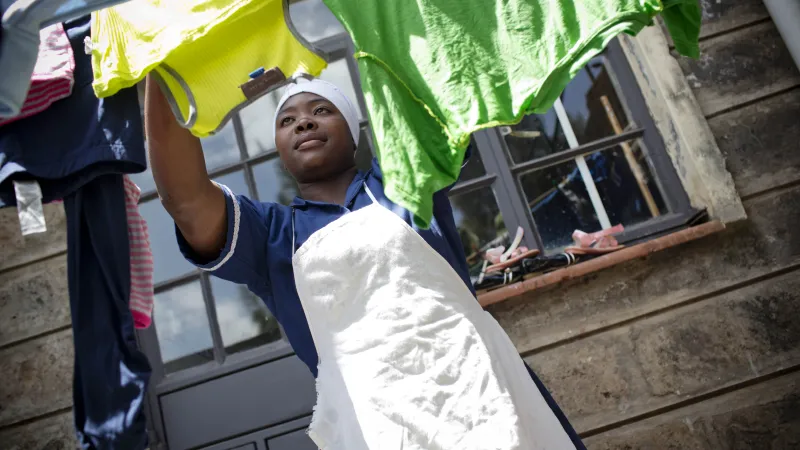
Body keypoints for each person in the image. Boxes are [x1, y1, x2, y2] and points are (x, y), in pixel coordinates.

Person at [145, 75, 586, 449]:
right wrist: (174, 76)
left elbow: (436, 85)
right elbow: (185, 200)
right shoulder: (270, 236)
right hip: (371, 420)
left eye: (321, 109)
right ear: (279, 145)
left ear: (353, 129)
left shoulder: (403, 179)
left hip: (477, 381)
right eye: (287, 119)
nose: (303, 121)